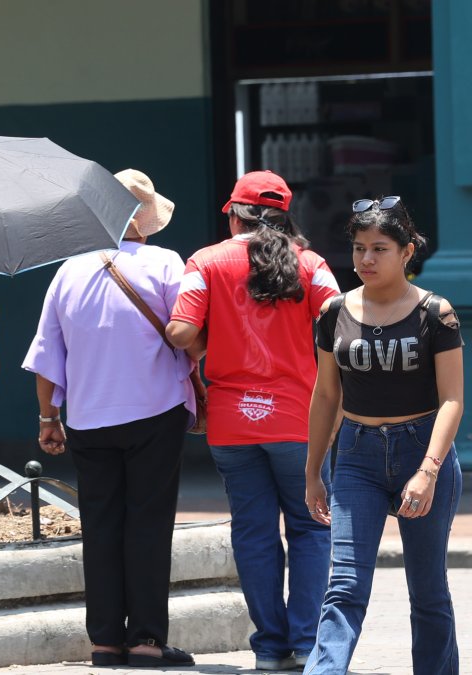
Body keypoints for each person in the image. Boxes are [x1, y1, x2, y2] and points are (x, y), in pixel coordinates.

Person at [166, 170, 340, 671]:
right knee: (310, 529)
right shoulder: (311, 264)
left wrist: (208, 341)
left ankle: (269, 649)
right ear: (285, 215)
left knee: (254, 531)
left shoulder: (206, 261)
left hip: (232, 423)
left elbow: (180, 332)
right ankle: (307, 644)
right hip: (297, 421)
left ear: (234, 215)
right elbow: (341, 321)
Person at [23, 169, 197, 668]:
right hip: (155, 412)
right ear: (145, 219)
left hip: (87, 419)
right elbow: (187, 331)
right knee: (148, 524)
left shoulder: (68, 271)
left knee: (100, 527)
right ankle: (145, 640)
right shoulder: (166, 264)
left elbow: (45, 357)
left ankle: (103, 640)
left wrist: (47, 417)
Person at [304, 196, 463, 673]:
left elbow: (453, 398)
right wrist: (313, 472)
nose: (365, 260)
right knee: (345, 585)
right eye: (357, 249)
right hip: (355, 455)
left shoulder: (436, 313)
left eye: (379, 248)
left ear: (407, 251)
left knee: (428, 588)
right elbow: (326, 396)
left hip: (422, 449)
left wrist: (429, 471)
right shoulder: (333, 312)